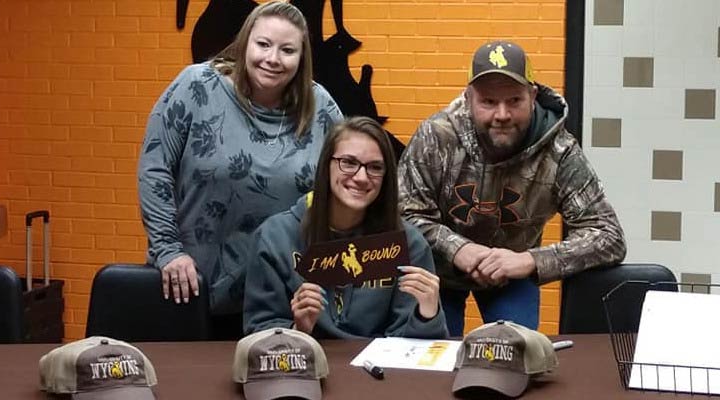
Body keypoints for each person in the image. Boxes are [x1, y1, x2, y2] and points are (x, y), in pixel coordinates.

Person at [138, 1, 343, 339]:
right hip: (191, 284)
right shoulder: (196, 86)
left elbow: (347, 183)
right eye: (263, 44)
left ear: (302, 58)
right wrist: (167, 250)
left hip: (283, 295)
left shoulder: (320, 107)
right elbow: (154, 169)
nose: (273, 58)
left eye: (287, 50)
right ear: (245, 42)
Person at [398, 40, 626, 336]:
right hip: (437, 269)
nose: (502, 114)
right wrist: (458, 249)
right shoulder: (436, 136)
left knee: (516, 353)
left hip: (512, 270)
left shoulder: (559, 151)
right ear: (469, 98)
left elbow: (609, 236)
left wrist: (531, 260)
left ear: (532, 96)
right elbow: (404, 215)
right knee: (435, 354)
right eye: (489, 102)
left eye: (514, 101)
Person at [244, 117, 448, 339]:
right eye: (349, 162)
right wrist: (298, 330)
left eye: (375, 167)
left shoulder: (409, 245)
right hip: (306, 366)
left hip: (378, 368)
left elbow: (414, 347)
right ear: (326, 166)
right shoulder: (276, 237)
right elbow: (259, 329)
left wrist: (427, 315)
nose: (361, 177)